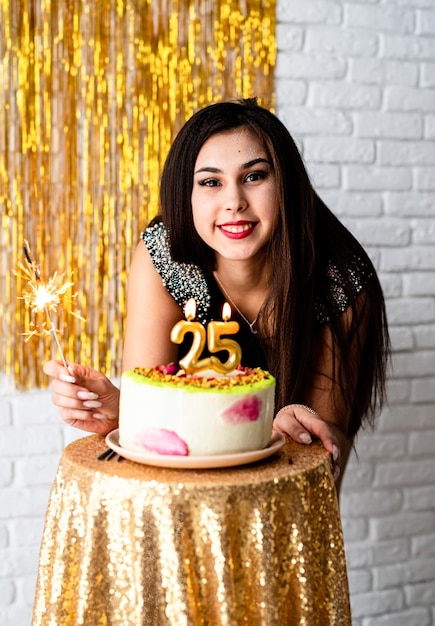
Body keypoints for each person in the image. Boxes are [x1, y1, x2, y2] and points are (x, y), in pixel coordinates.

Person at [44, 98, 390, 491]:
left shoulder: (338, 277)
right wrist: (120, 411)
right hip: (183, 495)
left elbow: (330, 461)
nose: (234, 202)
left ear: (286, 184)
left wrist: (306, 431)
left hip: (289, 505)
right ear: (185, 194)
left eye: (254, 176)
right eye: (211, 182)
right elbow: (156, 422)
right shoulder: (165, 256)